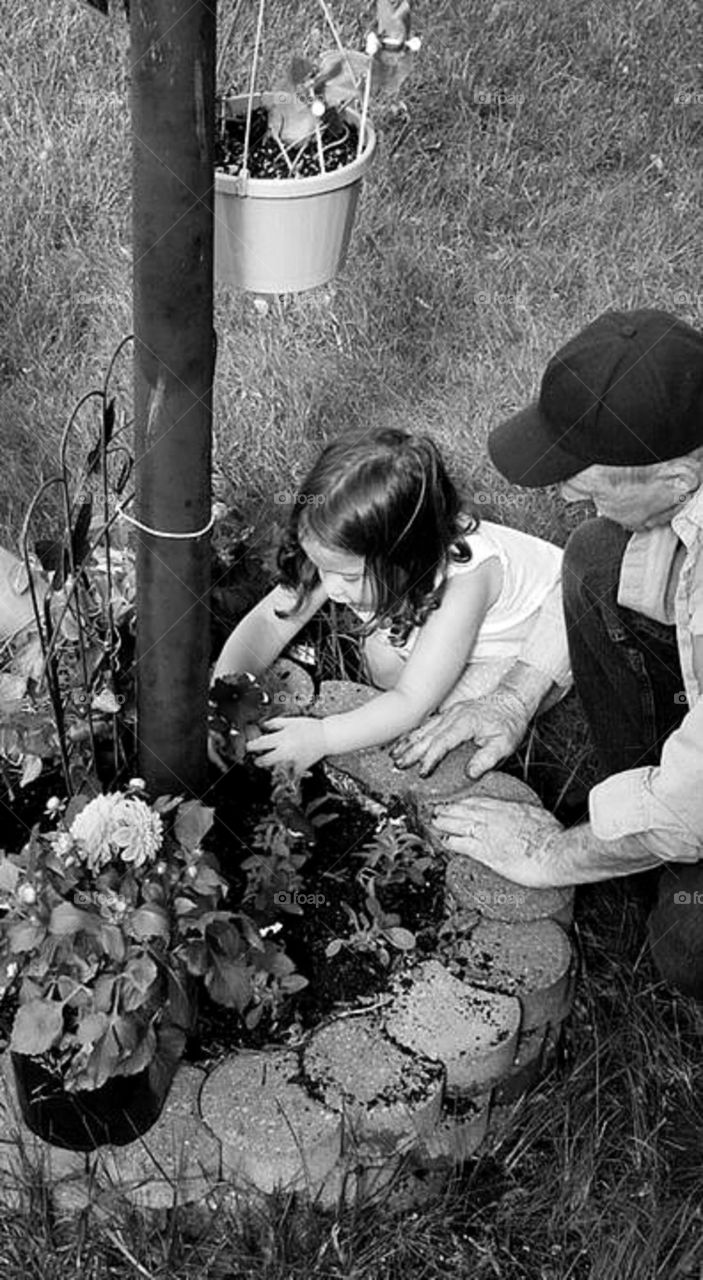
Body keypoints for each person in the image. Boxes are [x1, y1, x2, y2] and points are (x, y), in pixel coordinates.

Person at [424, 308, 703, 994]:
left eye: (582, 471)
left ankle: (655, 858)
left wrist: (545, 854)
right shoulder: (686, 463)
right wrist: (514, 697)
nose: (561, 488)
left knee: (688, 944)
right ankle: (638, 835)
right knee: (595, 558)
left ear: (671, 478)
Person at [210, 428, 571, 776]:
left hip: (533, 639)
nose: (330, 587)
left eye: (349, 577)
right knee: (382, 663)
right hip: (441, 619)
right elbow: (269, 623)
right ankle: (425, 671)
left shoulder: (466, 582)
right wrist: (226, 697)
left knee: (448, 719)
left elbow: (412, 699)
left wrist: (323, 737)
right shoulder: (336, 550)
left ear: (407, 559)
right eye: (321, 567)